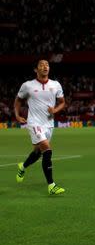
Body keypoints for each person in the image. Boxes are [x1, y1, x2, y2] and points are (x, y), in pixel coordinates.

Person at [14, 59, 66, 195]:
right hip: (34, 123)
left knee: (38, 152)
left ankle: (23, 166)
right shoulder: (28, 85)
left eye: (47, 65)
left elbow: (62, 102)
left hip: (49, 125)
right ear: (36, 69)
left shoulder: (56, 85)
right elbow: (18, 100)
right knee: (47, 150)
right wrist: (17, 115)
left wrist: (55, 110)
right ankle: (51, 186)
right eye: (42, 65)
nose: (45, 66)